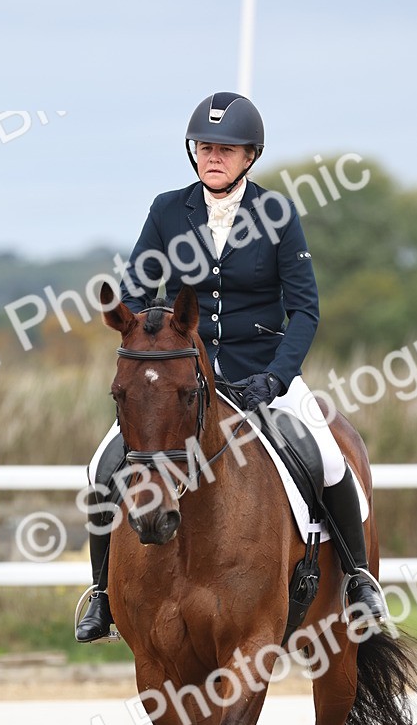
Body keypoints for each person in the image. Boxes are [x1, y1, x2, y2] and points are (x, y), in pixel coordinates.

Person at [75, 90, 387, 642]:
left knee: (328, 457)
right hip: (183, 379)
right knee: (104, 465)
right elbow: (136, 287)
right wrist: (145, 326)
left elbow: (305, 309)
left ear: (249, 156)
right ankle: (102, 594)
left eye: (225, 149)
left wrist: (278, 376)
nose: (212, 157)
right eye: (205, 147)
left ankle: (358, 578)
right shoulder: (168, 210)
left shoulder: (277, 214)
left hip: (261, 372)